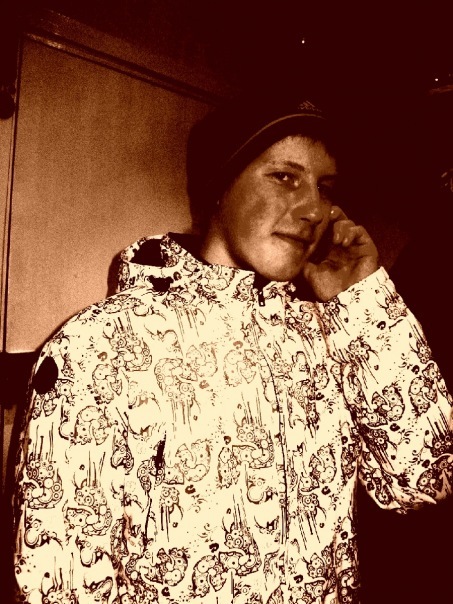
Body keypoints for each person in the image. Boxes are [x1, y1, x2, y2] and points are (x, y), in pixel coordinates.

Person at [11, 94, 453, 604]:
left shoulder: (331, 333)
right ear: (218, 187)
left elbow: (426, 482)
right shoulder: (98, 347)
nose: (315, 209)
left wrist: (364, 297)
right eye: (285, 177)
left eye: (325, 188)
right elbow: (56, 586)